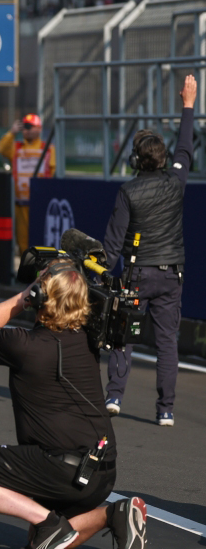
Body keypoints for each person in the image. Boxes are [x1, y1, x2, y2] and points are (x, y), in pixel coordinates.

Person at [0, 258, 146, 548]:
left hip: (61, 468)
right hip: (103, 469)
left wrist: (22, 297)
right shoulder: (90, 339)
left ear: (39, 297)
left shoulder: (23, 345)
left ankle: (49, 523)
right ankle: (114, 514)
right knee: (40, 545)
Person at [103, 75, 196, 427]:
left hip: (137, 275)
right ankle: (166, 410)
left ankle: (114, 395)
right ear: (163, 160)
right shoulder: (176, 181)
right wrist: (188, 105)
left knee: (122, 336)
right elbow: (186, 148)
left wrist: (95, 272)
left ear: (136, 161)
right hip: (172, 274)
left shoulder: (128, 191)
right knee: (167, 343)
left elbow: (113, 243)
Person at [0, 113, 55, 254]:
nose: (27, 130)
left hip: (40, 203)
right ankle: (28, 272)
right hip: (21, 204)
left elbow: (52, 172)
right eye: (24, 127)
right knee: (23, 243)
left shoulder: (47, 148)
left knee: (41, 240)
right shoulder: (16, 147)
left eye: (30, 126)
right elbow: (2, 149)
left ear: (39, 128)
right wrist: (12, 133)